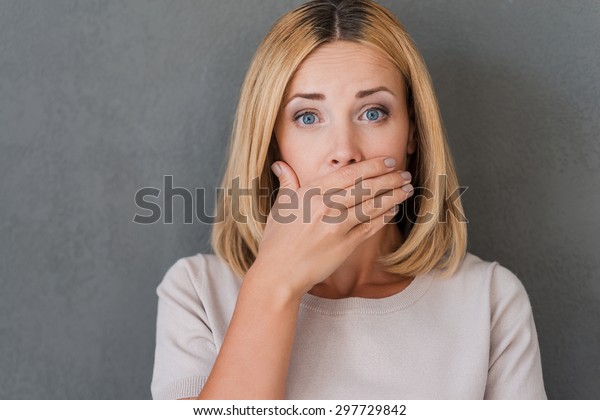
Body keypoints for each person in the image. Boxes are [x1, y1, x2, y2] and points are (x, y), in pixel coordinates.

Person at [150, 0, 546, 399]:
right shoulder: (198, 292)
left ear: (411, 133)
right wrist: (274, 283)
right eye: (308, 117)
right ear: (272, 144)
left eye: (373, 113)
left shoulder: (490, 301)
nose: (344, 151)